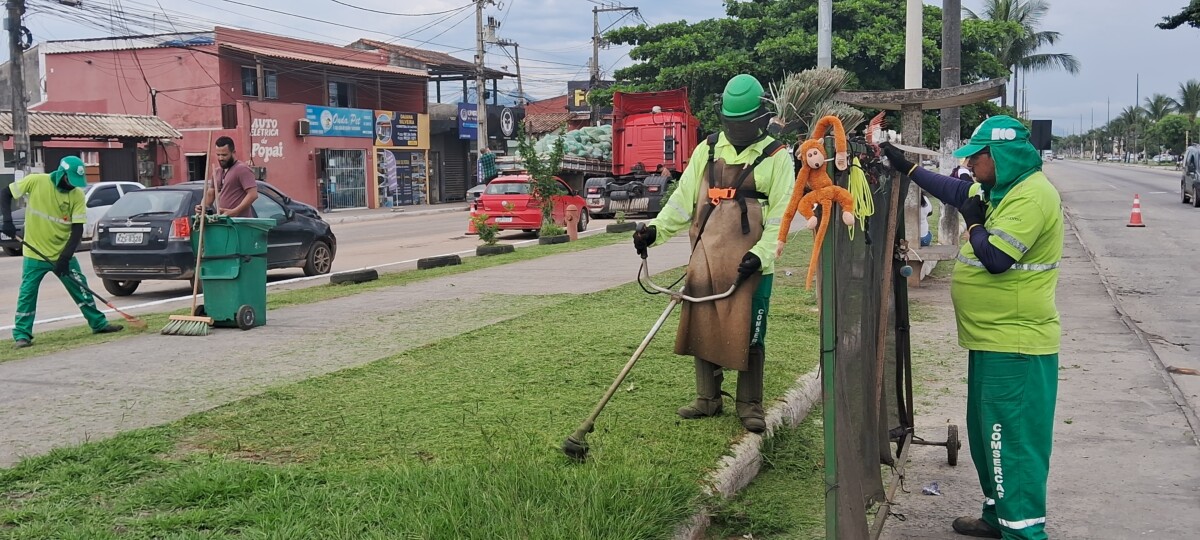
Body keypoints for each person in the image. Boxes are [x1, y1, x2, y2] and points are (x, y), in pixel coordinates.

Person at [880, 115, 1063, 540]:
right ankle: (996, 517)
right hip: (990, 339)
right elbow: (957, 192)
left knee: (1010, 444)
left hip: (1016, 344)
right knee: (986, 437)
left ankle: (1024, 533)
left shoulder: (1032, 197)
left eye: (977, 158)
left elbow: (997, 259)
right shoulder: (1002, 187)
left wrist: (975, 223)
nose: (970, 167)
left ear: (999, 156)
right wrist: (905, 166)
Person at [632, 73, 794, 433]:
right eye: (730, 123)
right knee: (702, 320)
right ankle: (708, 398)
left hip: (751, 260)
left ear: (759, 120)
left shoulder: (778, 157)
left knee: (751, 329)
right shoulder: (707, 149)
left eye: (742, 124)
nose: (734, 130)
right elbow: (683, 199)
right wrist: (655, 231)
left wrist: (762, 254)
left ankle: (750, 404)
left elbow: (783, 213)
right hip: (706, 252)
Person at [0, 156, 123, 348]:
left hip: (62, 253)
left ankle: (98, 324)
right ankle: (22, 335)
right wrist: (6, 220)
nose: (73, 185)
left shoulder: (77, 195)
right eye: (70, 180)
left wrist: (65, 257)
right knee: (27, 294)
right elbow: (5, 193)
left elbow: (77, 229)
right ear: (61, 174)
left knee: (81, 288)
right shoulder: (36, 181)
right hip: (35, 253)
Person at [197, 136, 257, 217]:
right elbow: (210, 194)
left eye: (224, 155)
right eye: (218, 155)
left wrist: (235, 211)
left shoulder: (242, 169)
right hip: (222, 220)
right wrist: (202, 208)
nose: (221, 158)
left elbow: (253, 195)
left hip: (239, 222)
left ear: (233, 152)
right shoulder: (217, 171)